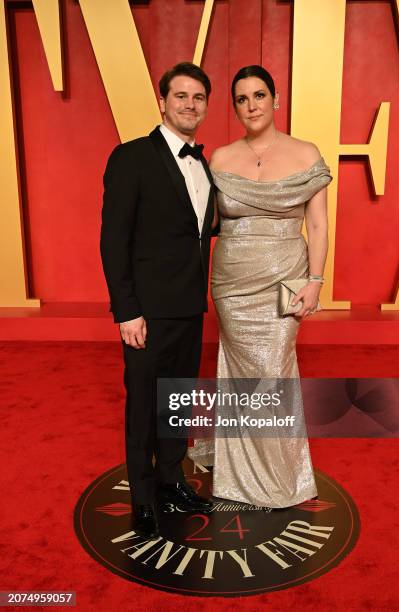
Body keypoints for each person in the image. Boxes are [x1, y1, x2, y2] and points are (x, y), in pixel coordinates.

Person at [189, 65, 332, 508]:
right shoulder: (219, 158)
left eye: (258, 96)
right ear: (234, 107)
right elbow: (207, 222)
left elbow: (318, 224)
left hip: (286, 276)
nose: (251, 106)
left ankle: (277, 474)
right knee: (241, 374)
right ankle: (238, 472)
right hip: (232, 281)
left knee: (271, 371)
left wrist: (315, 281)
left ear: (275, 99)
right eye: (241, 99)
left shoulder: (306, 153)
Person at [100, 62, 215, 540]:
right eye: (181, 96)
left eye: (198, 97)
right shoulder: (131, 157)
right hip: (146, 313)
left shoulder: (205, 163)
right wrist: (127, 310)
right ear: (162, 101)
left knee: (177, 402)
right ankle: (144, 498)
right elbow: (113, 240)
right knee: (144, 406)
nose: (190, 104)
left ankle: (171, 480)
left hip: (190, 308)